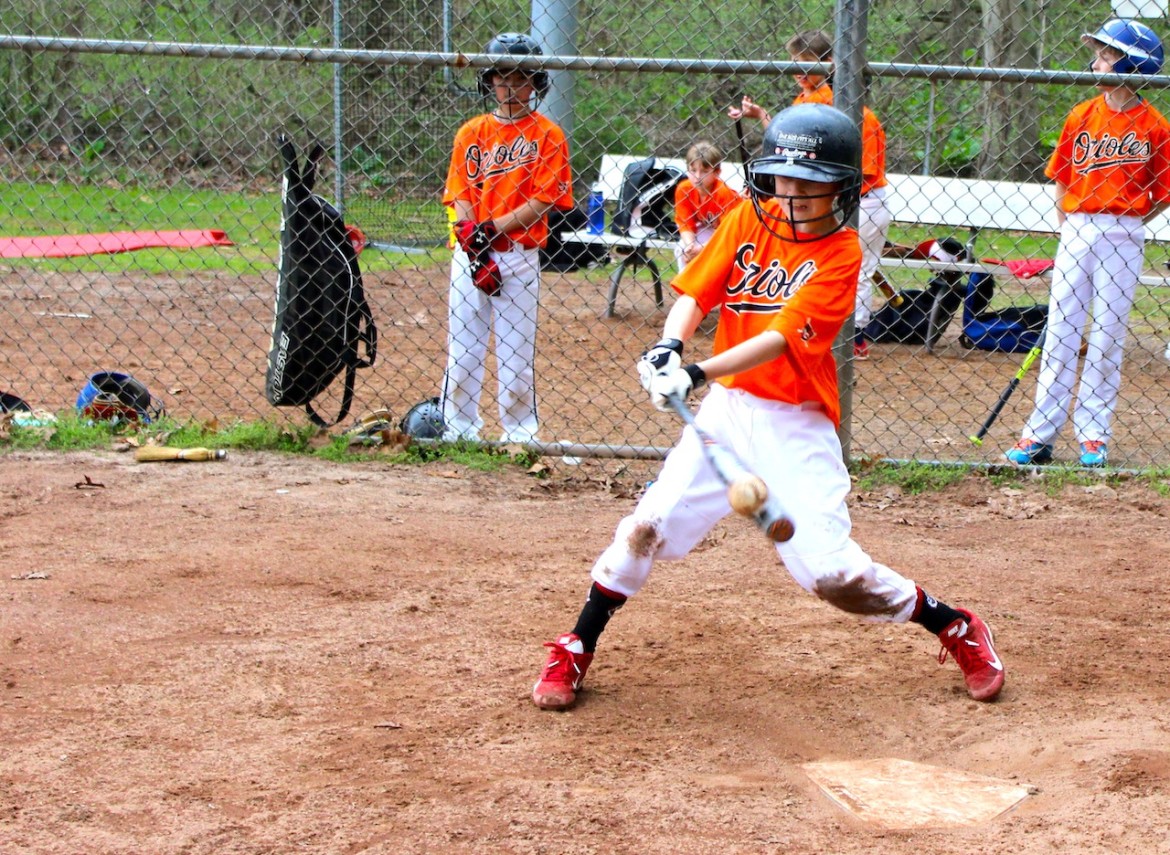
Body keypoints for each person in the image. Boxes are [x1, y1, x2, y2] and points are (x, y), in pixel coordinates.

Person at [531, 104, 1005, 712]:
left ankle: (953, 625)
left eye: (813, 182)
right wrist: (667, 346)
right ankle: (577, 642)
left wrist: (695, 371)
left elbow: (780, 337)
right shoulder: (745, 221)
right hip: (726, 414)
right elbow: (695, 293)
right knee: (644, 528)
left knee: (833, 578)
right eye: (783, 178)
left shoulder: (842, 251)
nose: (794, 193)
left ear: (842, 188)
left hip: (795, 422)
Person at [1006, 19, 1170, 469]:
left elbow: (1162, 191)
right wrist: (1068, 225)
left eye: (1105, 54)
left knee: (1107, 336)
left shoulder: (1155, 125)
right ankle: (1039, 435)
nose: (1095, 61)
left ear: (1131, 63)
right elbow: (1061, 176)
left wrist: (1131, 219)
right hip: (1077, 226)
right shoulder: (1081, 114)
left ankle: (1094, 433)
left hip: (1124, 232)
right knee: (1061, 331)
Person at [440, 32, 574, 443]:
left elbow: (545, 198)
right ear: (489, 81)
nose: (510, 86)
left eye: (521, 78)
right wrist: (471, 237)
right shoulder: (471, 132)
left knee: (515, 357)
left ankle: (519, 434)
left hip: (518, 253)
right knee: (463, 350)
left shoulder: (548, 135)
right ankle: (458, 430)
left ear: (536, 84)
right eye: (502, 77)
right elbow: (460, 191)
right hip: (470, 252)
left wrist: (492, 229)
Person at [729, 29, 891, 361]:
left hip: (862, 200)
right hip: (822, 202)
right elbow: (790, 150)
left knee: (857, 269)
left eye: (807, 63)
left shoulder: (853, 112)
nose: (799, 72)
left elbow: (864, 175)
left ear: (830, 63)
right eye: (794, 64)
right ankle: (813, 330)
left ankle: (853, 337)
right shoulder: (804, 101)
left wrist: (821, 199)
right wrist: (762, 117)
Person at [672, 140, 744, 271]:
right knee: (683, 249)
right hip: (709, 229)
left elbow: (728, 233)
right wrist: (690, 246)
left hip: (734, 234)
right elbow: (685, 224)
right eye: (693, 170)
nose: (697, 177)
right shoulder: (684, 189)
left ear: (717, 172)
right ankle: (685, 288)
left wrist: (702, 249)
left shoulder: (723, 193)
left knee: (717, 256)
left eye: (704, 171)